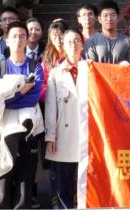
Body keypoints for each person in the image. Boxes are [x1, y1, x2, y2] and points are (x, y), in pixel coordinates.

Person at [0, 22, 46, 210]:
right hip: (3, 127)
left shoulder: (34, 66)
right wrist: (21, 91)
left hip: (28, 129)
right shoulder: (0, 67)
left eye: (22, 36)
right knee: (2, 173)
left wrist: (9, 96)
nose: (18, 39)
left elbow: (34, 97)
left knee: (25, 177)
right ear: (6, 40)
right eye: (14, 36)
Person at [44, 29, 85, 209]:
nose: (73, 45)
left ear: (82, 44)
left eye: (77, 41)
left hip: (86, 134)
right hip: (63, 134)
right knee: (62, 185)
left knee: (85, 185)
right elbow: (51, 107)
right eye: (69, 42)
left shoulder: (92, 69)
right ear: (63, 46)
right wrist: (50, 136)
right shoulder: (56, 73)